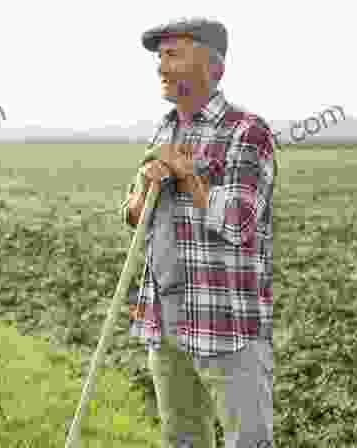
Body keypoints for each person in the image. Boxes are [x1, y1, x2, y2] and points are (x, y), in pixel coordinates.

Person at [120, 17, 276, 448]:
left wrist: (189, 179)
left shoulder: (247, 132)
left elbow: (242, 222)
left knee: (248, 439)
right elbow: (133, 216)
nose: (161, 67)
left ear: (214, 68)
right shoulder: (163, 130)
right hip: (165, 316)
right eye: (159, 57)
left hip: (224, 319)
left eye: (173, 55)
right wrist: (144, 192)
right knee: (183, 438)